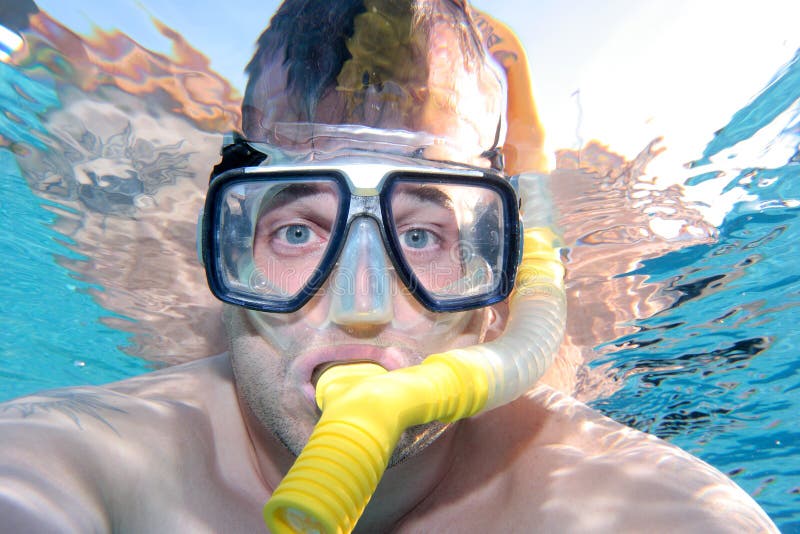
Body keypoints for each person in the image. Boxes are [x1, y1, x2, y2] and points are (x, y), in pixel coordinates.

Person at [0, 1, 778, 532]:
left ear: (492, 289)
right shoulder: (90, 459)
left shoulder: (620, 497)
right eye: (298, 231)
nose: (360, 306)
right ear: (230, 248)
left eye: (422, 236)